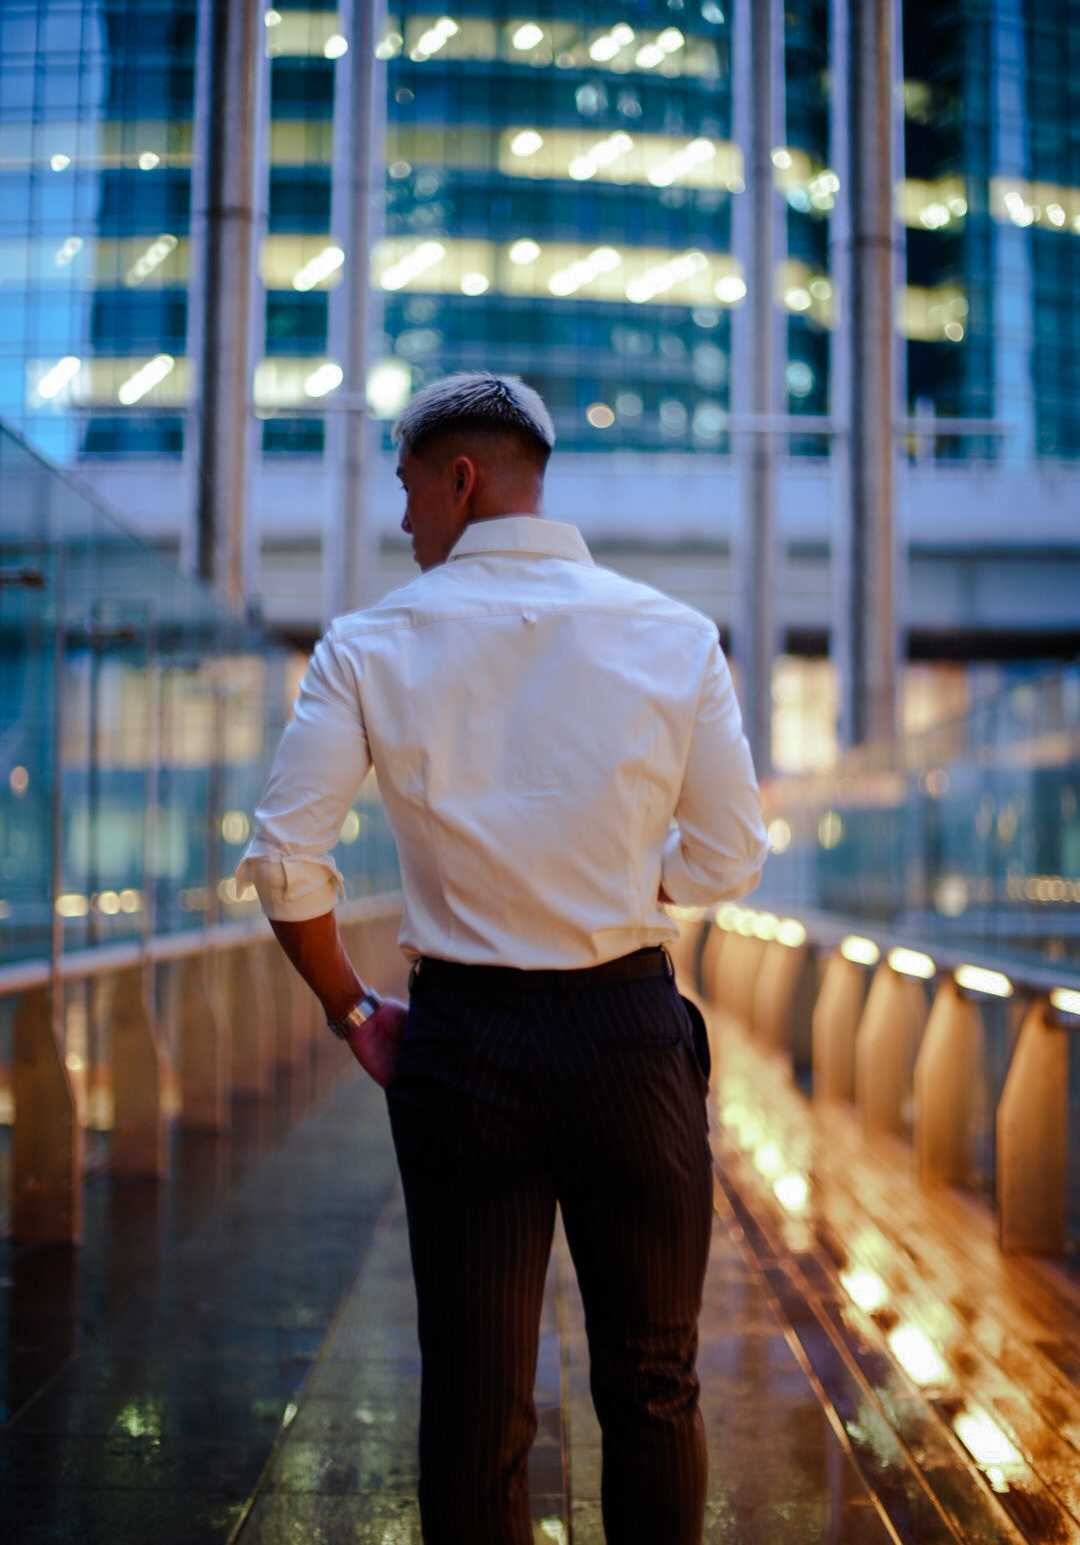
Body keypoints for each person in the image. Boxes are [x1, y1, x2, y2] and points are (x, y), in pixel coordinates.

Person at [238, 371, 768, 1544]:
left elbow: (285, 862)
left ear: (461, 478)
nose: (404, 517)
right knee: (652, 1385)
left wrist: (349, 1009)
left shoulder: (369, 644)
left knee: (476, 1403)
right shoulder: (674, 635)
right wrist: (630, 886)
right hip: (629, 1038)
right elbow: (732, 851)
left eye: (410, 488)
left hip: (463, 1046)